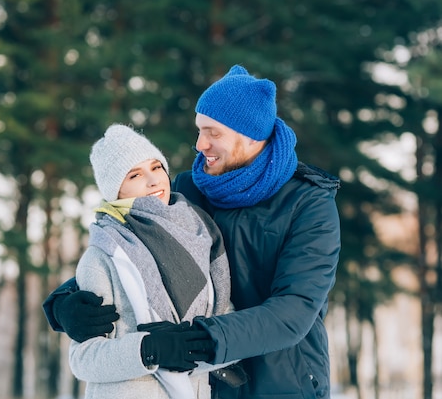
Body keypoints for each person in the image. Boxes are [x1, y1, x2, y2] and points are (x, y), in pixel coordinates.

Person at [44, 65, 341, 399]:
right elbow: (132, 253)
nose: (200, 144)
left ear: (251, 135)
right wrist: (63, 303)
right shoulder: (189, 190)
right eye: (199, 130)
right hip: (204, 384)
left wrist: (197, 339)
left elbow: (293, 311)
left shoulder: (308, 204)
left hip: (282, 383)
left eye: (213, 133)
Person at [67, 124, 239, 399]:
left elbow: (225, 321)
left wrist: (201, 346)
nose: (153, 180)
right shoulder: (104, 254)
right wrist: (149, 349)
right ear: (116, 190)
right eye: (135, 174)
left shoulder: (200, 236)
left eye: (157, 167)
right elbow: (83, 359)